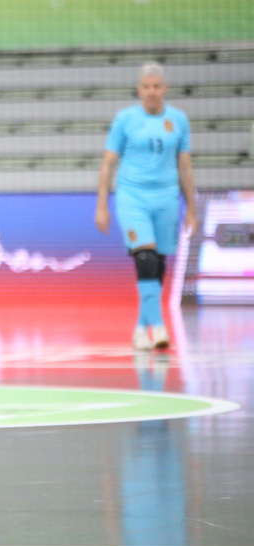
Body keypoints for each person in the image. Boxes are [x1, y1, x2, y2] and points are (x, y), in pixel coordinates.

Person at [94, 62, 198, 352]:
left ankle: (142, 328)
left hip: (166, 198)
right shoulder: (125, 120)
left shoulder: (178, 120)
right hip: (132, 197)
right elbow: (108, 164)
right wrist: (102, 206)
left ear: (165, 89)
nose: (152, 92)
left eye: (157, 86)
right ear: (139, 90)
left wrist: (192, 208)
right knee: (145, 258)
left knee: (158, 264)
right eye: (147, 86)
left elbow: (185, 167)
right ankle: (159, 326)